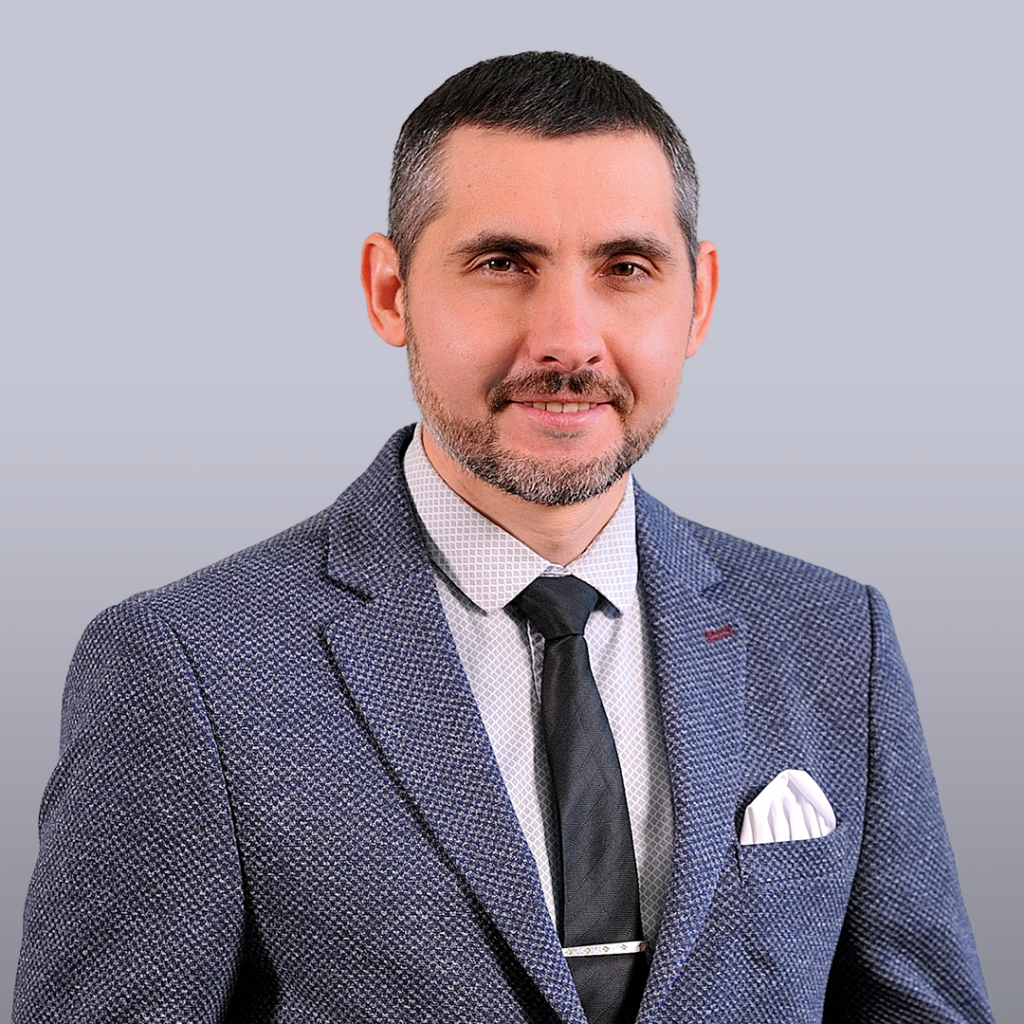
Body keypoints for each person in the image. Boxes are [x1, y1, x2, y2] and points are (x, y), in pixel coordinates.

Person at [14, 51, 993, 1024]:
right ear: (390, 291)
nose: (568, 340)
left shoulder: (835, 637)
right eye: (502, 264)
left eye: (625, 268)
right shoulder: (186, 666)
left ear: (698, 298)